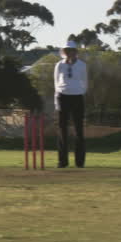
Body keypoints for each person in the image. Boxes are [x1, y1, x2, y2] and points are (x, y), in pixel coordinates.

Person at [53, 39, 88, 168]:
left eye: (72, 50)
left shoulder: (82, 65)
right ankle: (63, 161)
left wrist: (79, 91)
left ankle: (80, 162)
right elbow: (56, 83)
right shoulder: (59, 65)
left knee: (79, 130)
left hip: (77, 97)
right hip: (63, 97)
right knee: (62, 130)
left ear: (75, 51)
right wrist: (57, 100)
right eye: (67, 50)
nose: (69, 53)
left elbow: (85, 82)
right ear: (64, 52)